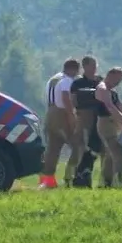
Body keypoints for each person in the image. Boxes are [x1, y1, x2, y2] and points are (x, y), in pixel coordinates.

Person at [39, 58, 80, 188]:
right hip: (61, 114)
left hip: (50, 113)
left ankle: (46, 180)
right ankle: (70, 177)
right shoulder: (67, 80)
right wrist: (72, 117)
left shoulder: (52, 79)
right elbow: (66, 99)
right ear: (72, 69)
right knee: (78, 146)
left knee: (52, 149)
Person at [69, 56, 104, 188]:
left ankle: (103, 179)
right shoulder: (78, 83)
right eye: (92, 65)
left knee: (98, 148)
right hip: (84, 117)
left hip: (99, 117)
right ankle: (81, 178)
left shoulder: (100, 81)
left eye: (96, 65)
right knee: (83, 148)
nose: (95, 68)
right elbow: (73, 100)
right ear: (85, 66)